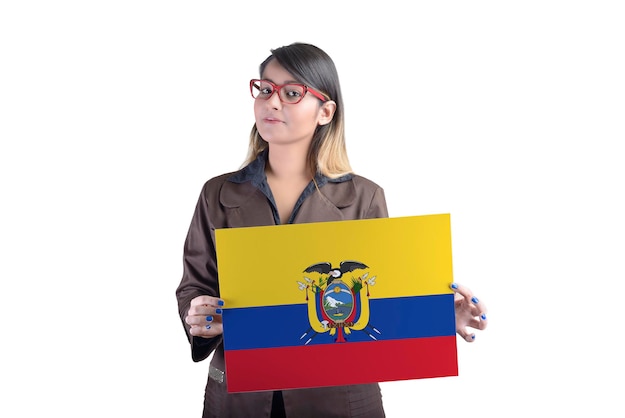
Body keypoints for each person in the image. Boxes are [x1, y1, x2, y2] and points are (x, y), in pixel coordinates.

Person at [175, 42, 488, 418]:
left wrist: (436, 320)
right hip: (239, 398)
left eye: (292, 93)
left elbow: (378, 300)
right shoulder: (219, 193)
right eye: (265, 89)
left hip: (337, 400)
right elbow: (195, 286)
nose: (272, 103)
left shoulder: (364, 197)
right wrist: (199, 317)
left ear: (325, 111)